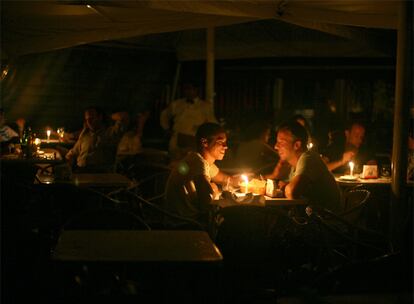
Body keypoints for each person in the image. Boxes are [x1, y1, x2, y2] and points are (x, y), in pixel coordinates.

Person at [164, 122, 240, 230]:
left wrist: (249, 181)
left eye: (225, 142)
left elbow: (226, 179)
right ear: (204, 142)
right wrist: (214, 189)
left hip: (188, 220)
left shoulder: (203, 162)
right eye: (220, 142)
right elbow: (207, 200)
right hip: (184, 225)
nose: (226, 146)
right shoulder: (197, 162)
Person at [275, 120, 341, 213]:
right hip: (315, 220)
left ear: (297, 145)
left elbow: (292, 192)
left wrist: (284, 186)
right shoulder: (294, 165)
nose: (276, 146)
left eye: (281, 142)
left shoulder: (308, 158)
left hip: (327, 222)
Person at [160, 83, 217, 159]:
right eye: (187, 89)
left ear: (196, 90)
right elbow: (164, 115)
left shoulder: (205, 106)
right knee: (175, 162)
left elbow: (212, 122)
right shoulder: (177, 104)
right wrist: (166, 128)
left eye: (191, 89)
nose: (189, 91)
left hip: (194, 139)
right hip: (178, 137)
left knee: (193, 162)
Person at [65, 106, 127, 173]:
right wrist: (68, 158)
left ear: (100, 117)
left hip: (100, 173)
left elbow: (124, 117)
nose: (89, 122)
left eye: (91, 118)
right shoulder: (85, 135)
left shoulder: (111, 133)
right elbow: (74, 151)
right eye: (87, 119)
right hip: (80, 171)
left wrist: (108, 116)